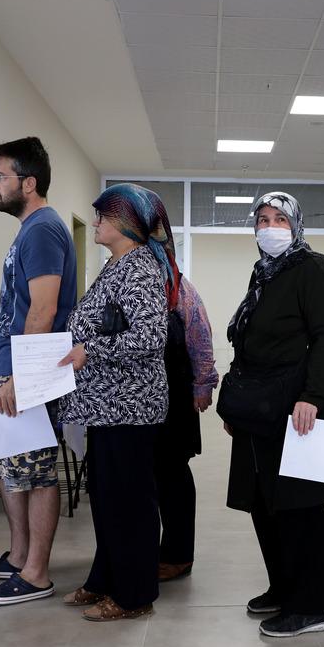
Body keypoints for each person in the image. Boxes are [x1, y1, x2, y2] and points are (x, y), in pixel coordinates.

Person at [220, 192, 324, 638]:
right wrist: (235, 401)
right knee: (264, 502)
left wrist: (313, 395)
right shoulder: (263, 273)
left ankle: (310, 606)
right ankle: (283, 587)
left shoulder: (311, 268)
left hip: (297, 408)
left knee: (300, 506)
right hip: (259, 407)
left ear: (296, 226)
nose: (269, 227)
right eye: (263, 219)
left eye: (279, 219)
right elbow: (249, 339)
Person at [58, 183, 171, 621]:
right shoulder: (115, 265)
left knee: (129, 503)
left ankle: (134, 594)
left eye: (103, 215)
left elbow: (150, 335)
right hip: (105, 407)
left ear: (126, 222)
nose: (96, 221)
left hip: (130, 406)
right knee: (105, 499)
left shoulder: (139, 267)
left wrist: (91, 350)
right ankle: (104, 578)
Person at [0, 137, 77, 607]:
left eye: (1, 176)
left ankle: (35, 573)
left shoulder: (42, 230)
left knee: (35, 473)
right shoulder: (30, 228)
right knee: (12, 469)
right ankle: (19, 557)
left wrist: (20, 376)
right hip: (11, 367)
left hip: (27, 370)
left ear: (28, 183)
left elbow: (44, 308)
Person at [144, 192, 218, 583]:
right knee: (149, 476)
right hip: (138, 397)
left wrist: (203, 384)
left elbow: (200, 337)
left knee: (172, 474)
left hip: (173, 395)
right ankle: (149, 550)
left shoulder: (178, 286)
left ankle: (177, 554)